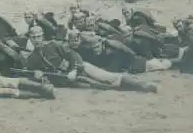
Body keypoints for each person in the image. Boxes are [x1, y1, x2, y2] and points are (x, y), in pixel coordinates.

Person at [22, 26, 157, 93]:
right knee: (103, 87)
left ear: (43, 36)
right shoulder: (31, 58)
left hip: (80, 67)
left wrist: (74, 70)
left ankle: (142, 86)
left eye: (39, 36)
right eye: (34, 37)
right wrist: (37, 76)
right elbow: (34, 74)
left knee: (107, 77)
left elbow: (74, 55)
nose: (37, 40)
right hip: (66, 80)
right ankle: (132, 87)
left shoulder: (53, 45)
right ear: (30, 38)